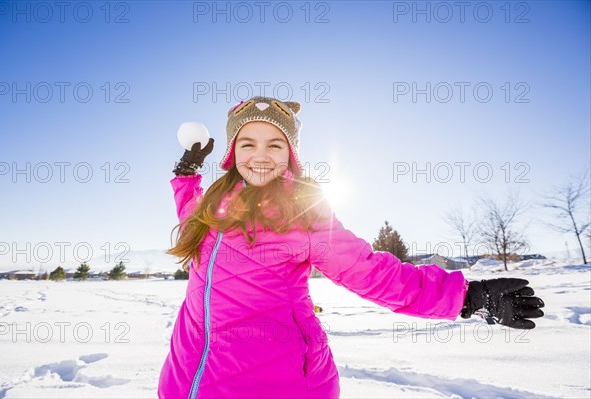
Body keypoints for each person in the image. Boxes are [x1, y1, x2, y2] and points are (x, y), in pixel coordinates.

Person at [157, 96, 545, 399]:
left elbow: (371, 272)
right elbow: (189, 211)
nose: (261, 156)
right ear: (232, 154)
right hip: (183, 377)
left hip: (277, 382)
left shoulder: (303, 213)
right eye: (248, 144)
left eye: (275, 145)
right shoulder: (213, 207)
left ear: (291, 154)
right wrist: (186, 173)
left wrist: (465, 296)